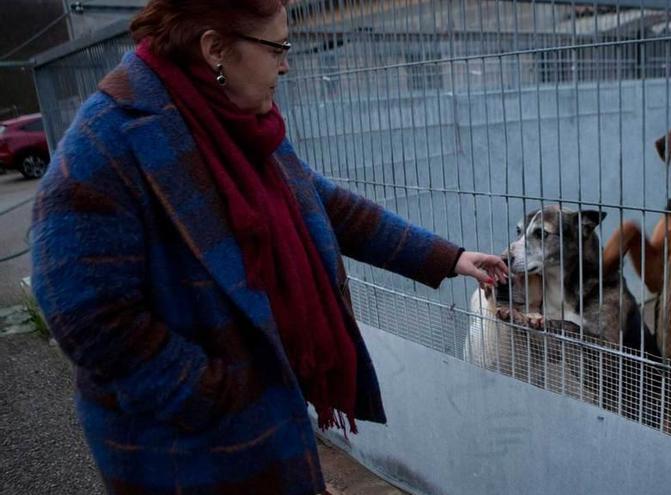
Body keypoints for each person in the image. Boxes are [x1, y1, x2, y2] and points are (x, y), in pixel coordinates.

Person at [30, 1, 507, 493]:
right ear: (215, 49)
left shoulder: (235, 118)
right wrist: (215, 391)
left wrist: (446, 258)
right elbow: (81, 310)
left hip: (268, 420)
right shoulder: (106, 141)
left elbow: (319, 201)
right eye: (276, 47)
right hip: (187, 453)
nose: (286, 63)